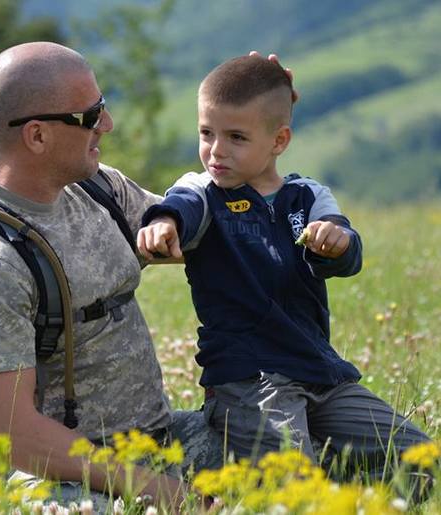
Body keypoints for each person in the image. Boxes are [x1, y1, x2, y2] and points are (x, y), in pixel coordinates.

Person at [0, 41, 226, 511]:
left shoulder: (99, 189)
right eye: (91, 115)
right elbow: (13, 436)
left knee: (298, 449)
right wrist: (159, 492)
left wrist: (255, 91)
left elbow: (217, 234)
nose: (107, 124)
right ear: (37, 136)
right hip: (52, 476)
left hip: (156, 442)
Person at [137, 55, 431, 482]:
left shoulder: (308, 196)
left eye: (236, 137)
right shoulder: (202, 191)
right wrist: (162, 223)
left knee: (422, 461)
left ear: (279, 141)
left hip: (321, 375)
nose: (216, 151)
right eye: (206, 133)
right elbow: (178, 207)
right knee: (296, 485)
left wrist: (338, 241)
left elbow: (348, 255)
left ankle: (336, 469)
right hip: (250, 381)